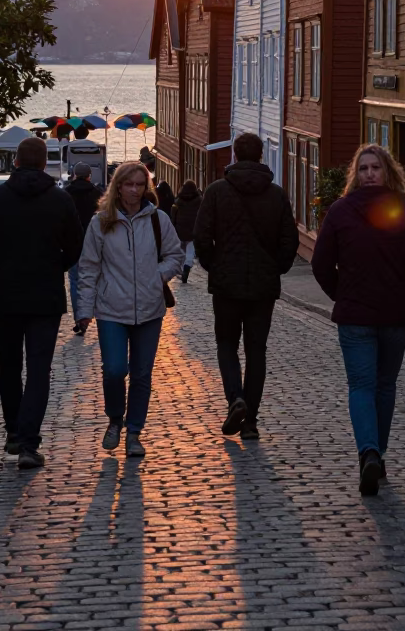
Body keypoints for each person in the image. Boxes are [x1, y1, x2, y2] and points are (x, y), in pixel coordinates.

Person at [311, 143, 405, 497]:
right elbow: (321, 265)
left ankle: (370, 452)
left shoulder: (345, 211)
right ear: (358, 173)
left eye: (375, 168)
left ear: (387, 172)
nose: (369, 174)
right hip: (388, 314)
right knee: (377, 386)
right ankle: (375, 454)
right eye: (365, 168)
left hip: (370, 315)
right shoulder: (402, 209)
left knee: (368, 386)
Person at [0, 136, 83, 470]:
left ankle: (14, 432)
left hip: (4, 297)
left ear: (16, 161)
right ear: (45, 162)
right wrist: (54, 265)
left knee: (9, 366)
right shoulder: (60, 201)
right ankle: (29, 442)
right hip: (44, 297)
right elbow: (75, 247)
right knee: (38, 370)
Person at [194, 132, 299, 441]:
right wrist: (277, 266)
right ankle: (250, 421)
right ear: (261, 156)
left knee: (226, 344)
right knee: (256, 350)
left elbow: (202, 235)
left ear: (235, 156)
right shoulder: (276, 194)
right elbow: (289, 239)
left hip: (226, 284)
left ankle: (234, 399)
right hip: (263, 287)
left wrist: (214, 264)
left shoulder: (216, 192)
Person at [76, 161, 183, 458]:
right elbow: (88, 268)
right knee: (114, 370)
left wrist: (157, 275)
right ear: (118, 187)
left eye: (139, 185)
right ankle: (114, 419)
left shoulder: (158, 220)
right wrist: (83, 309)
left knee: (141, 375)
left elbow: (175, 255)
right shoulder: (101, 222)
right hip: (111, 309)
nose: (134, 190)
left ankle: (134, 432)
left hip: (150, 310)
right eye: (129, 184)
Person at [64, 163, 102, 333]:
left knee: (75, 281)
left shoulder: (66, 194)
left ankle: (79, 317)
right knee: (96, 280)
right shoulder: (97, 194)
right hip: (94, 243)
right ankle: (92, 315)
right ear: (89, 175)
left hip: (73, 243)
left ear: (74, 175)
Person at [170, 180, 202, 283]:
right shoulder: (199, 201)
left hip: (180, 230)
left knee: (181, 251)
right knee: (190, 252)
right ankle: (186, 269)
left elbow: (173, 215)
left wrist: (173, 226)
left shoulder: (178, 200)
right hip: (193, 230)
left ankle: (182, 270)